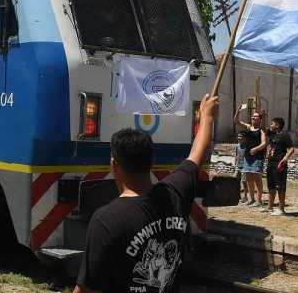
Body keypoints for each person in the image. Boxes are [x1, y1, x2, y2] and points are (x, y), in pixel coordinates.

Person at [74, 94, 219, 293]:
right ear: (152, 161)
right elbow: (197, 154)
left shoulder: (106, 221)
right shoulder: (174, 193)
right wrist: (207, 116)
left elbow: (86, 290)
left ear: (114, 165)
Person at [234, 109, 268, 207]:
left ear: (260, 119)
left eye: (256, 116)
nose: (253, 118)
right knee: (249, 179)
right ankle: (251, 199)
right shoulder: (249, 127)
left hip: (257, 157)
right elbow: (236, 122)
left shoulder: (262, 130)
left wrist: (256, 149)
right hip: (247, 157)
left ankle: (259, 200)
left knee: (257, 179)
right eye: (253, 116)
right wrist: (238, 111)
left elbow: (264, 143)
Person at [265, 117, 294, 216]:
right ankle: (269, 207)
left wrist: (285, 158)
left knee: (280, 186)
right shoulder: (272, 134)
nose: (270, 125)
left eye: (272, 124)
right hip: (270, 162)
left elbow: (291, 149)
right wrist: (263, 116)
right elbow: (264, 128)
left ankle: (281, 209)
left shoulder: (285, 135)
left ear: (277, 125)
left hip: (279, 163)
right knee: (271, 186)